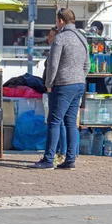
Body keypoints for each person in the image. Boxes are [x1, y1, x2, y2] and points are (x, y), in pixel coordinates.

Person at [32, 8, 89, 170]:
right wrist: (80, 77)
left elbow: (53, 64)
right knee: (70, 122)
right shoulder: (82, 38)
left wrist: (48, 83)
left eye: (57, 21)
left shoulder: (61, 38)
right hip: (79, 84)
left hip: (63, 85)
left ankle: (48, 158)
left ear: (61, 21)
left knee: (54, 121)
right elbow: (87, 65)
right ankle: (70, 159)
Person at [42, 27, 66, 164]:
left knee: (59, 121)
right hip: (51, 88)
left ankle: (61, 152)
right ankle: (58, 151)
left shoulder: (57, 51)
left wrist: (49, 84)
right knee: (56, 121)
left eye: (51, 35)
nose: (48, 38)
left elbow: (53, 68)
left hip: (56, 88)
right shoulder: (52, 50)